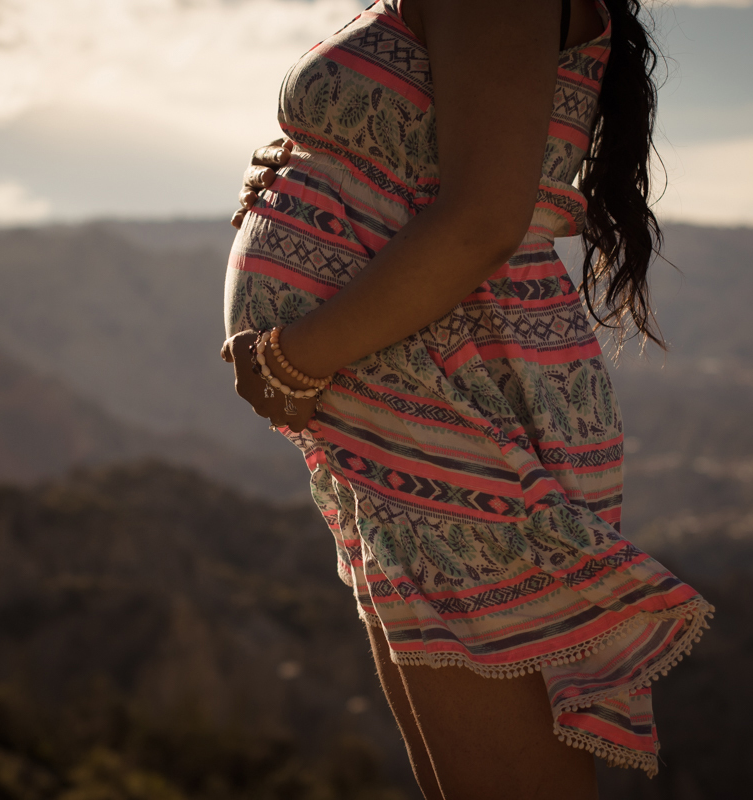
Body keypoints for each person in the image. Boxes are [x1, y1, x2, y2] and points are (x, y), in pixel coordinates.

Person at [220, 0, 714, 796]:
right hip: (408, 405)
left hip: (458, 392)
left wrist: (293, 357)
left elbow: (484, 218)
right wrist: (324, 167)